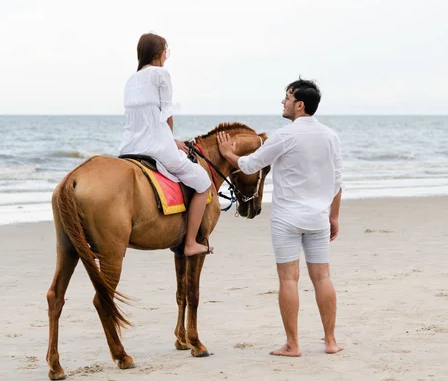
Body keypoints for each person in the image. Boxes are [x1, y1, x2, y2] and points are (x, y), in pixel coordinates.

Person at [217, 77, 343, 356]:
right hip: (319, 218)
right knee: (322, 278)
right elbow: (337, 182)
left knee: (288, 279)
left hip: (287, 218)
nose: (283, 102)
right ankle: (331, 342)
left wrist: (227, 153)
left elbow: (251, 164)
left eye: (286, 97)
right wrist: (334, 217)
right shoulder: (330, 136)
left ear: (299, 105)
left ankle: (293, 344)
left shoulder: (284, 135)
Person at [119, 33, 214, 256]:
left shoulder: (130, 80)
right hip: (157, 148)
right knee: (202, 182)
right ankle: (190, 242)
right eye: (165, 51)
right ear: (157, 53)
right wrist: (169, 141)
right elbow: (166, 115)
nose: (166, 56)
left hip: (128, 148)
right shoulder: (161, 74)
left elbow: (141, 120)